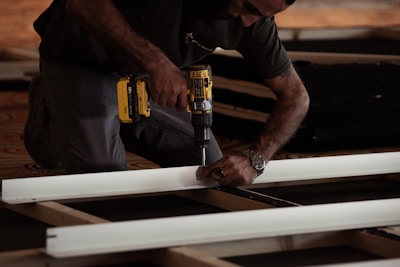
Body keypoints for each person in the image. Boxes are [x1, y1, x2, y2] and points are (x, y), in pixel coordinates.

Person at [24, 0, 309, 187]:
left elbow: (296, 97)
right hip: (81, 60)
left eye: (261, 15)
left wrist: (255, 160)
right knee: (103, 174)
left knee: (209, 169)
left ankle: (104, 120)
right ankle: (49, 106)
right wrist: (156, 62)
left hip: (144, 79)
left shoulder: (253, 23)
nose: (248, 21)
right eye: (248, 6)